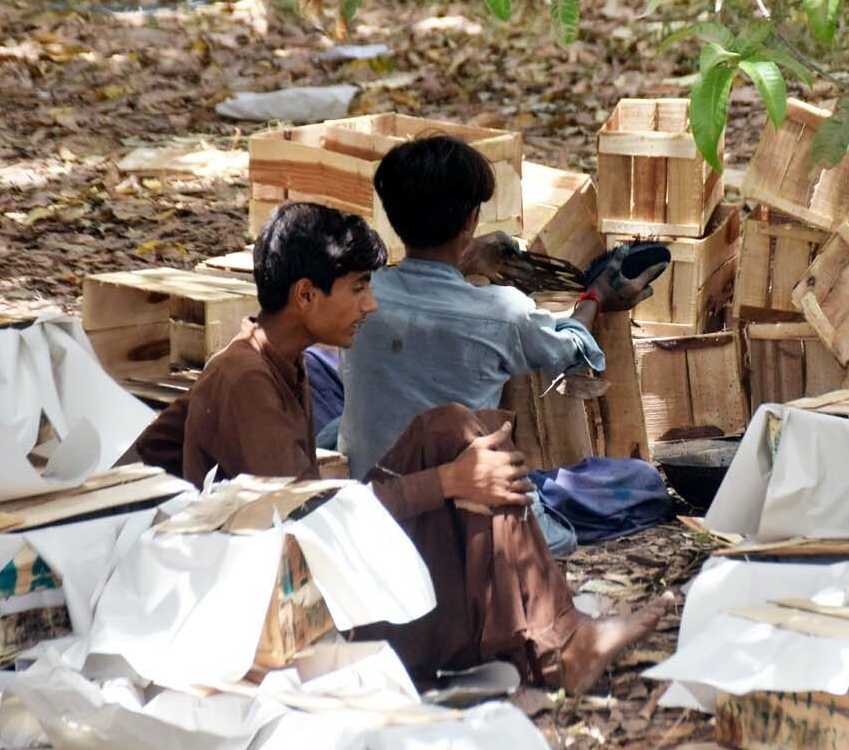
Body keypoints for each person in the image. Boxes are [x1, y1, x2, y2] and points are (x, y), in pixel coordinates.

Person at [133, 202, 660, 692]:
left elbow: (143, 452)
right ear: (306, 297)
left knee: (450, 427)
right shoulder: (245, 379)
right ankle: (560, 647)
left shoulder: (273, 359)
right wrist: (448, 483)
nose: (372, 303)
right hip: (293, 625)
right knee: (456, 455)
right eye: (360, 287)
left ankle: (555, 637)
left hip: (313, 575)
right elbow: (303, 529)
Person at [337, 136, 644, 481]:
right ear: (471, 220)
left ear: (392, 217)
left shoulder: (354, 294)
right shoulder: (504, 312)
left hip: (368, 492)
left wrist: (463, 264)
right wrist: (596, 298)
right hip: (458, 503)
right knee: (638, 479)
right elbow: (570, 351)